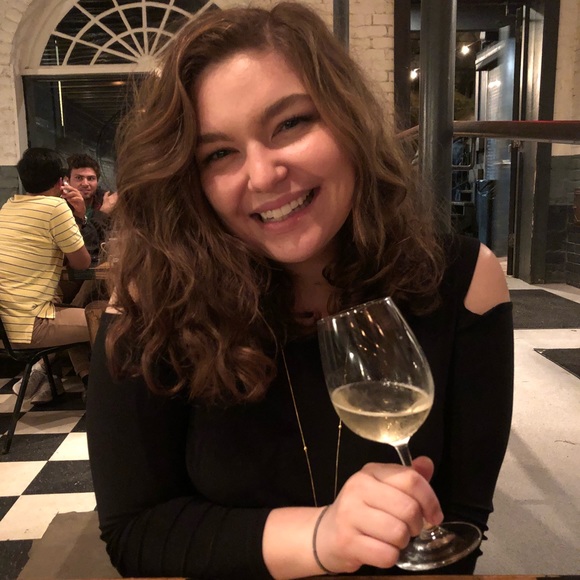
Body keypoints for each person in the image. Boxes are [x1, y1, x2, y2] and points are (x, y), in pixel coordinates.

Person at [86, 3, 514, 579]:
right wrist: (321, 537)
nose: (263, 175)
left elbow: (460, 522)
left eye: (289, 124)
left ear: (348, 121)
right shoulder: (154, 300)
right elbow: (135, 531)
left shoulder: (462, 280)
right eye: (219, 153)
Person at [0, 147, 92, 403]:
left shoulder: (8, 206)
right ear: (61, 182)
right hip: (30, 326)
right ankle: (104, 395)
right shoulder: (55, 207)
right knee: (108, 321)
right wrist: (80, 216)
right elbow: (82, 263)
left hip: (4, 327)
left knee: (78, 311)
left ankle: (62, 378)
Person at [61, 153, 117, 306]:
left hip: (99, 268)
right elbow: (86, 247)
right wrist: (103, 214)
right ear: (67, 181)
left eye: (91, 178)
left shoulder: (106, 200)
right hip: (69, 271)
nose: (85, 183)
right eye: (79, 178)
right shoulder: (60, 205)